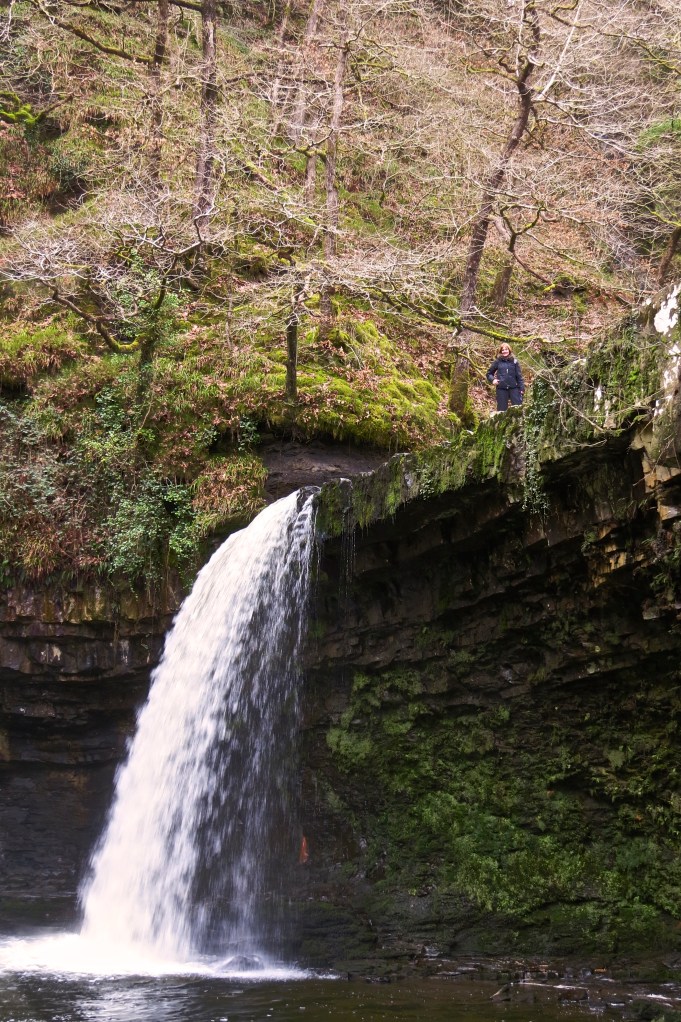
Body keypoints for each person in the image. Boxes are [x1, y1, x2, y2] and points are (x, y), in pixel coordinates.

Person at [486, 343, 525, 411]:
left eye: (506, 349)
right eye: (503, 350)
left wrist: (522, 388)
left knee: (518, 409)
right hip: (501, 388)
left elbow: (519, 376)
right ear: (500, 352)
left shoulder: (514, 361)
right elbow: (489, 373)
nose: (504, 351)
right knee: (501, 411)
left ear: (509, 350)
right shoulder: (497, 361)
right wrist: (493, 380)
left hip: (514, 388)